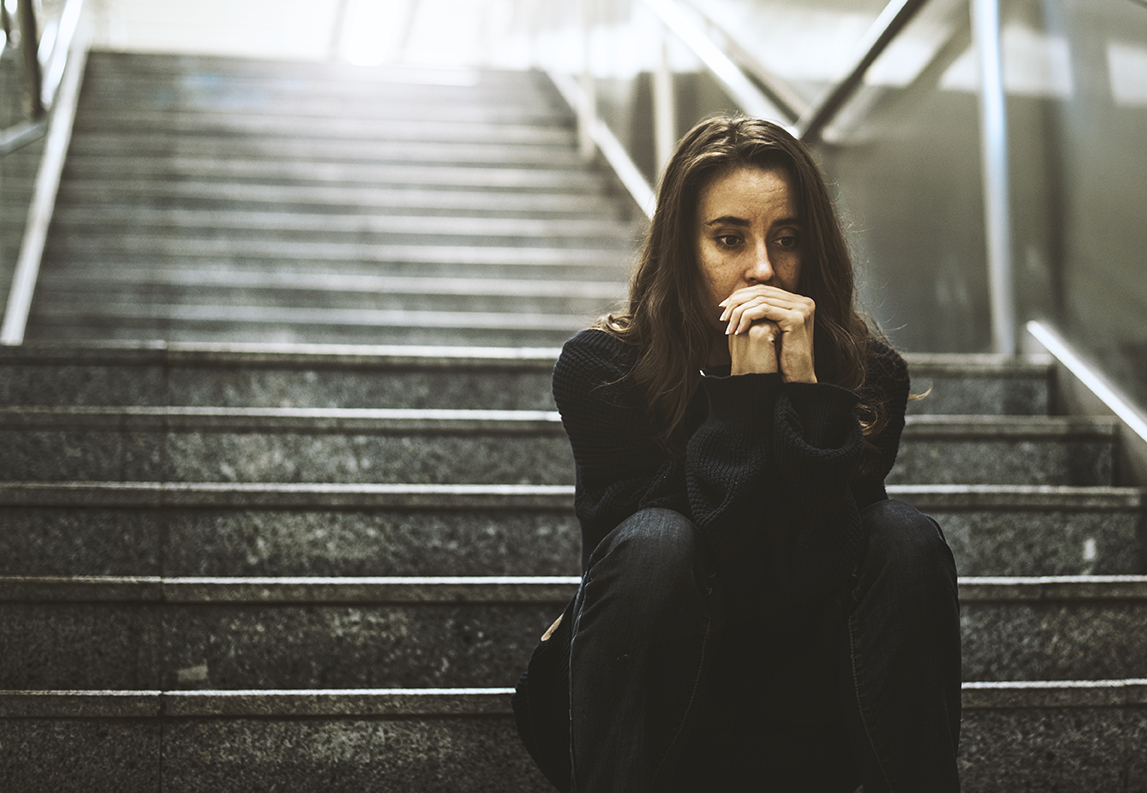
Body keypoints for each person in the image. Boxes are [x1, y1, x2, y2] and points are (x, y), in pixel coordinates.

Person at [512, 115, 962, 793]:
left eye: (786, 239)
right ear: (680, 248)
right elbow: (661, 560)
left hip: (806, 707)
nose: (762, 268)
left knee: (903, 537)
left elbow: (818, 561)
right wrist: (745, 394)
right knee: (657, 541)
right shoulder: (602, 369)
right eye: (728, 238)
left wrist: (809, 398)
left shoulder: (867, 378)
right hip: (667, 706)